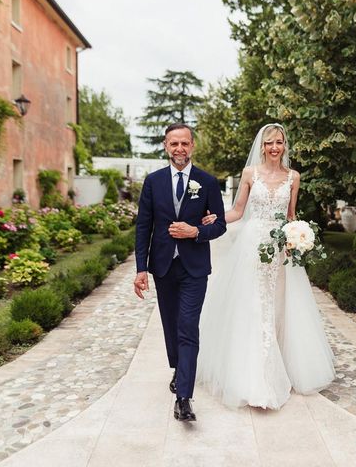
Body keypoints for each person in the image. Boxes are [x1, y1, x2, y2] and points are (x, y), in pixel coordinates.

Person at [196, 123, 335, 410]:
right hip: (252, 248)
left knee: (279, 307)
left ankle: (281, 368)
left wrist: (299, 236)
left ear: (285, 146)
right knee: (253, 306)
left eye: (279, 142)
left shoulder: (293, 177)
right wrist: (215, 219)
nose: (274, 147)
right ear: (262, 146)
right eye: (270, 142)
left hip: (280, 250)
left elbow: (292, 215)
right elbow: (237, 210)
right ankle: (253, 376)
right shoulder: (250, 174)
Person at [134, 123, 226, 422]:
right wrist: (141, 269)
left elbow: (220, 225)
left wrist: (195, 231)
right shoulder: (153, 182)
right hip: (162, 266)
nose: (180, 149)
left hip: (194, 268)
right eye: (174, 143)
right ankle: (179, 369)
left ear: (192, 146)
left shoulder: (207, 182)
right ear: (165, 146)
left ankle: (183, 397)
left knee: (188, 327)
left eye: (185, 143)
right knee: (171, 326)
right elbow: (143, 227)